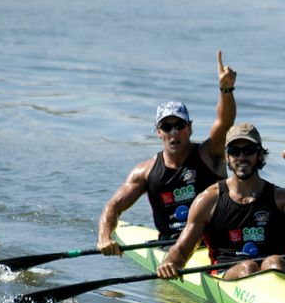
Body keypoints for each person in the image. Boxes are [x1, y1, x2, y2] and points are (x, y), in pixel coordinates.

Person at [97, 51, 237, 255]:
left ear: (189, 128)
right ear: (158, 132)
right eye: (166, 126)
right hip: (170, 250)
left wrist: (226, 89)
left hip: (214, 246)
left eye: (179, 125)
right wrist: (104, 237)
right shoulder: (145, 172)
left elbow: (225, 123)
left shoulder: (209, 153)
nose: (173, 132)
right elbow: (113, 207)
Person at [156, 123, 285, 281]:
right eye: (235, 151)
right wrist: (168, 264)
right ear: (227, 157)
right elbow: (182, 250)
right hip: (226, 274)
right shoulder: (208, 201)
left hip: (275, 274)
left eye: (248, 151)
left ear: (260, 155)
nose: (242, 157)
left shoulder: (280, 198)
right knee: (247, 267)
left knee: (275, 262)